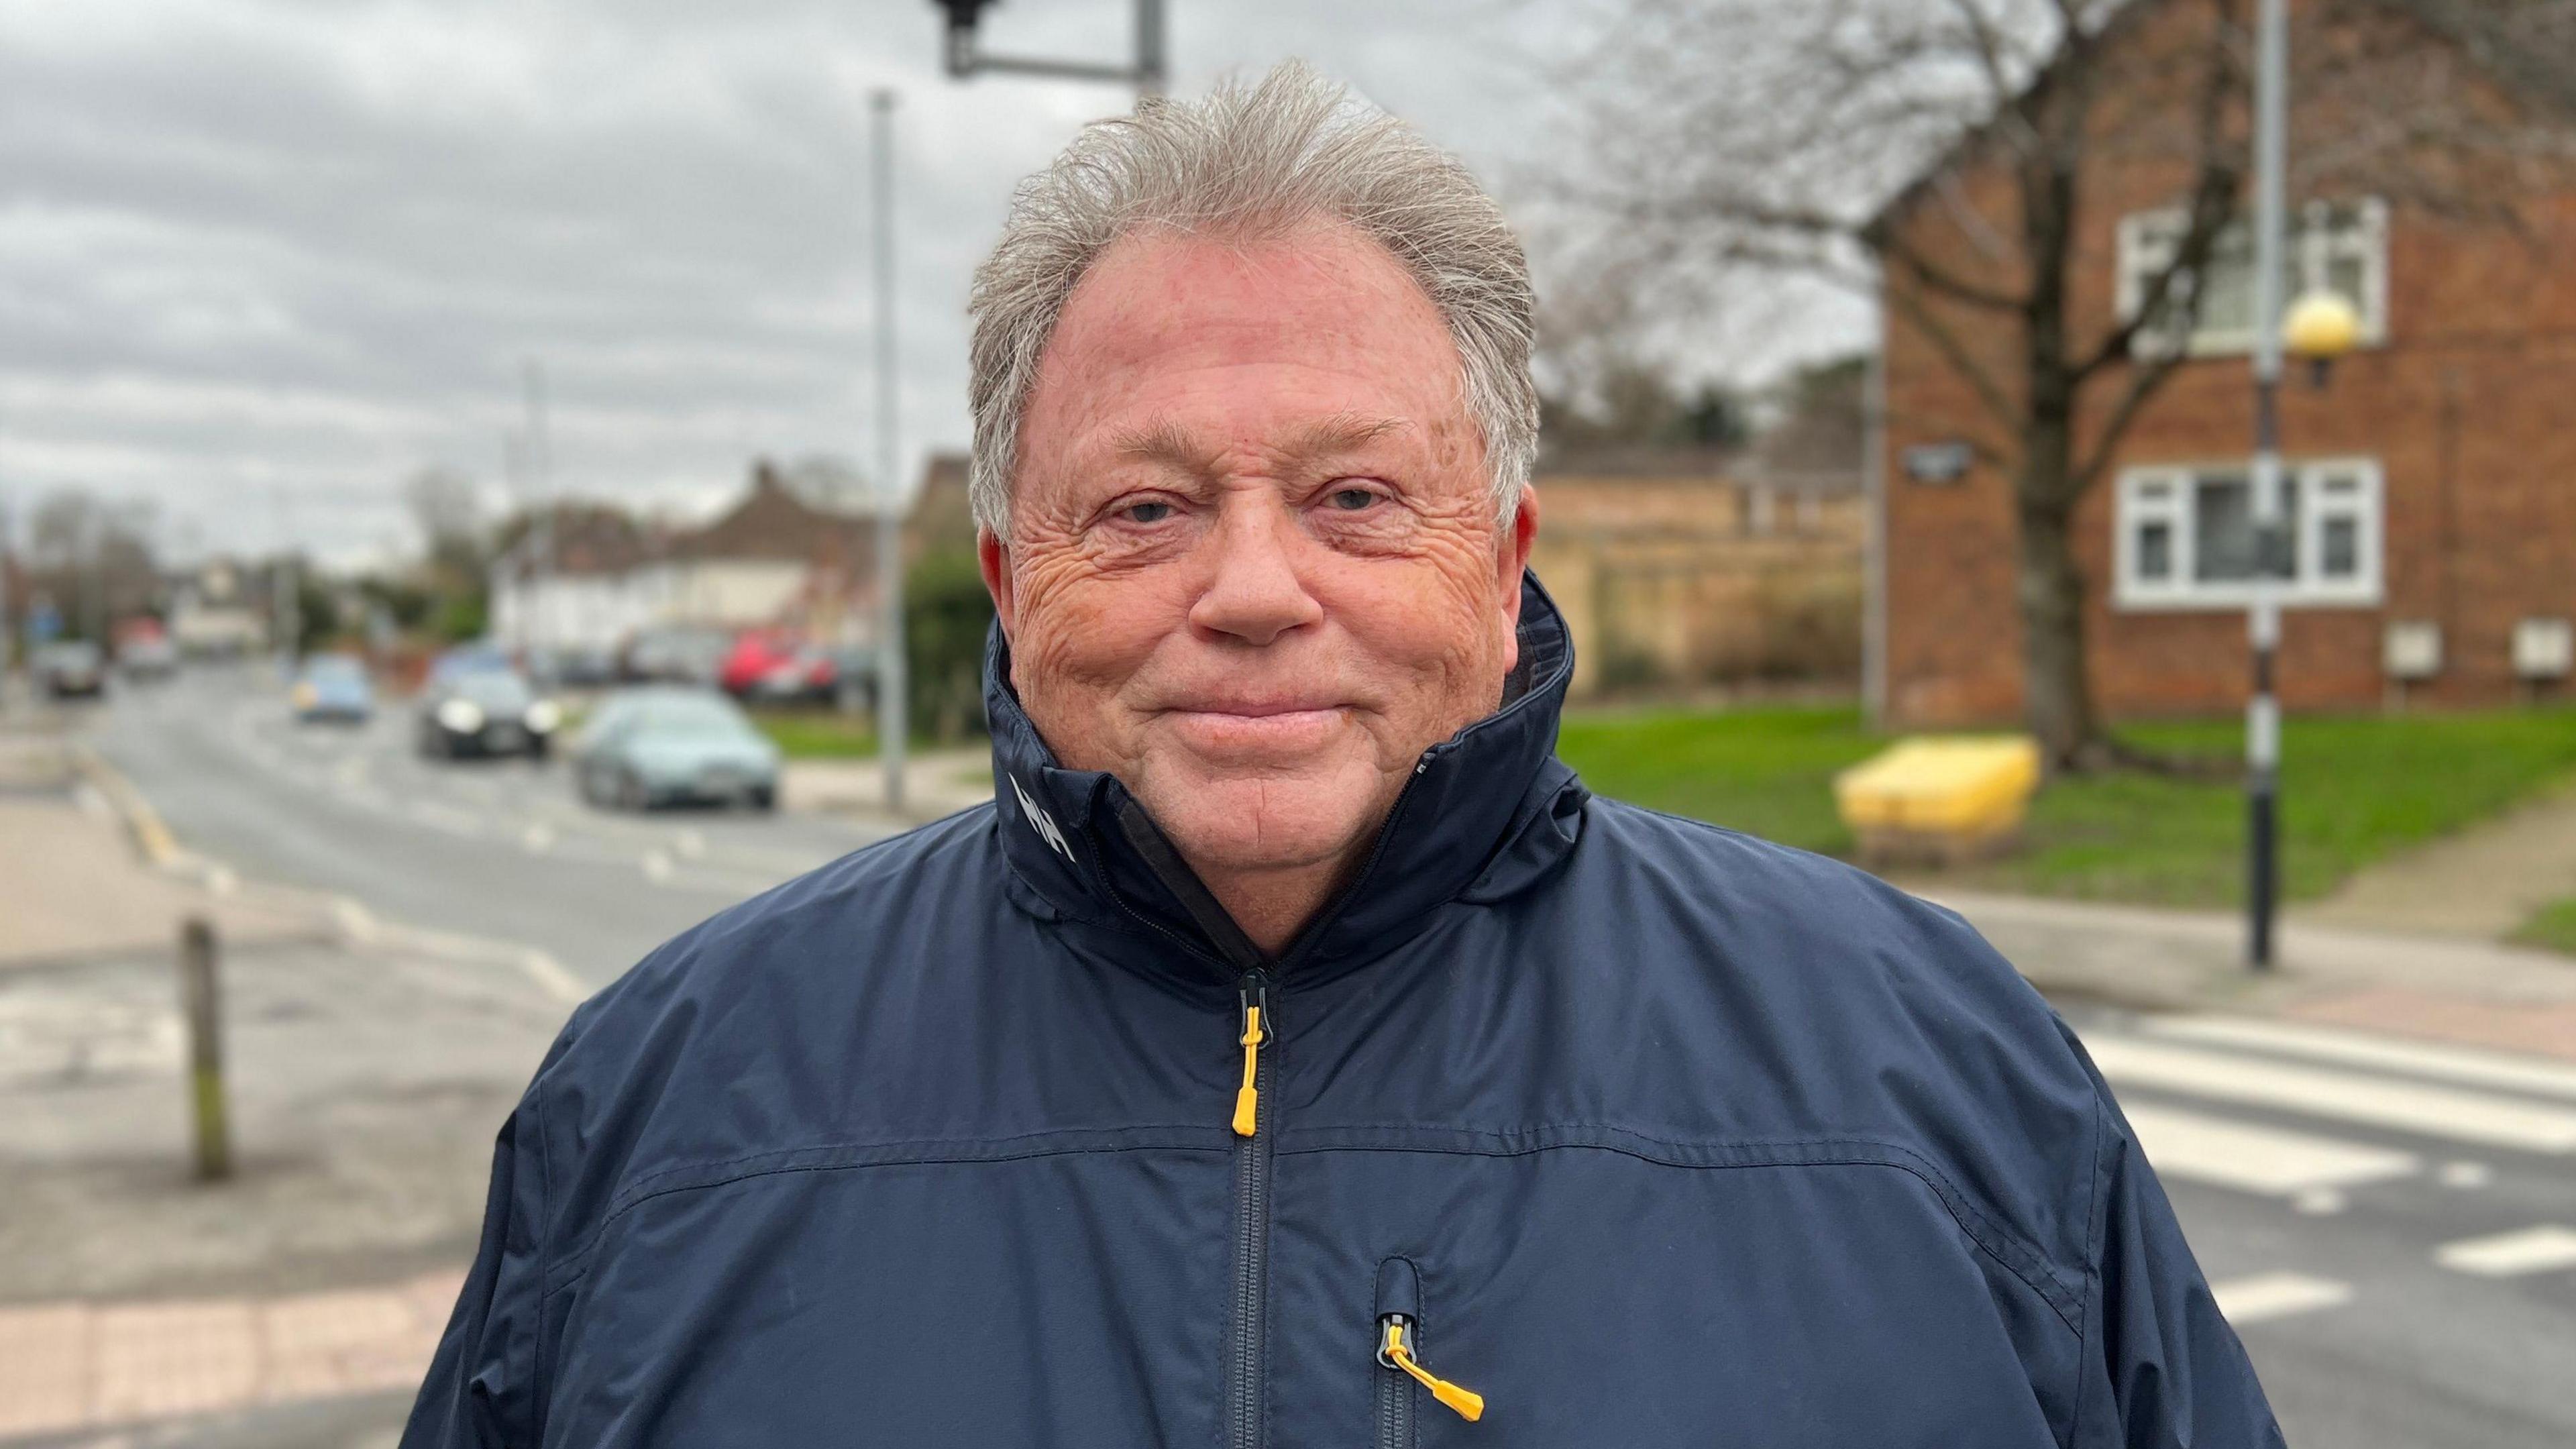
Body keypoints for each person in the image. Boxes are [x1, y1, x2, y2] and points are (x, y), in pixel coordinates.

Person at [402, 62, 2282, 1448]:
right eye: (1141, 508)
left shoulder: (1932, 1072)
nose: (1249, 587)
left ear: (1503, 555)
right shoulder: (662, 1111)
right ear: (1006, 574)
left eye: (1356, 495)